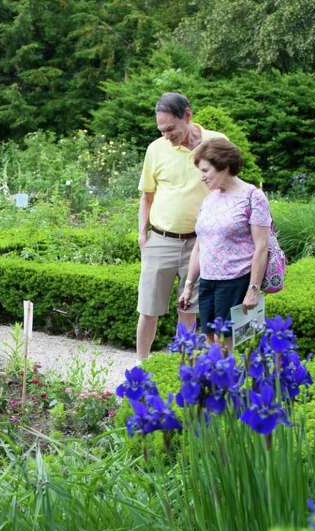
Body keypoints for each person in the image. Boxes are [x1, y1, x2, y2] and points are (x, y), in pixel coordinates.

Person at [135, 92, 226, 361]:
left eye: (170, 128)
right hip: (160, 239)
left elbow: (229, 187)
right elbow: (146, 195)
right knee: (148, 309)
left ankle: (182, 366)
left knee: (189, 309)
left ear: (187, 115)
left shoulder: (217, 143)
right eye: (161, 130)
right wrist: (143, 234)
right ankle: (141, 363)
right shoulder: (156, 149)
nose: (166, 135)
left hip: (201, 242)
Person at [178, 138, 284, 338]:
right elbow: (199, 247)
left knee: (229, 344)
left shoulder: (252, 196)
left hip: (236, 281)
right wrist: (189, 286)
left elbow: (261, 247)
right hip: (208, 281)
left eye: (205, 170)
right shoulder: (209, 199)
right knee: (210, 340)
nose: (202, 177)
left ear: (224, 166)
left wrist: (253, 289)